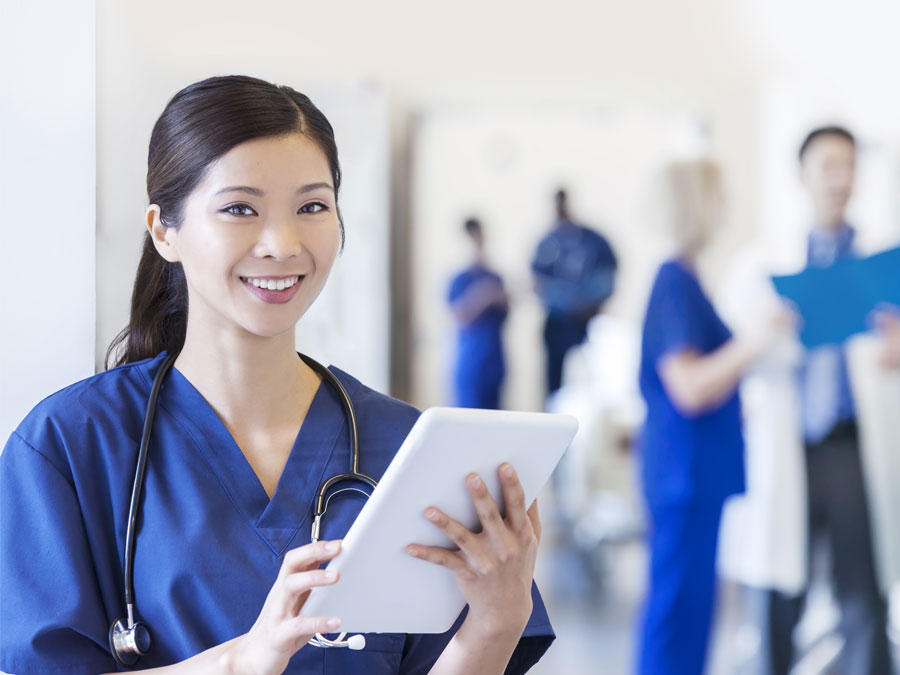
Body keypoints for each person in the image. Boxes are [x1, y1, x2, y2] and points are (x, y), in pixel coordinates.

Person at [0, 75, 554, 675]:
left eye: (311, 206)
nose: (282, 243)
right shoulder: (71, 444)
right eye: (240, 208)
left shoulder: (404, 446)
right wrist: (244, 660)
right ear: (165, 230)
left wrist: (495, 626)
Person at [636, 160, 790, 675]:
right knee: (677, 611)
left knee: (695, 610)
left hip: (697, 472)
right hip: (684, 474)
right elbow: (690, 387)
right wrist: (756, 338)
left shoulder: (688, 280)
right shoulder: (673, 281)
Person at [757, 126, 893, 675]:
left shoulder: (882, 264)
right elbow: (744, 348)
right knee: (779, 592)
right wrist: (767, 333)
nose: (839, 179)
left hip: (850, 443)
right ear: (802, 176)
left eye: (848, 166)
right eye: (827, 166)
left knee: (863, 586)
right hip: (789, 444)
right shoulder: (769, 259)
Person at [531, 189, 617, 398]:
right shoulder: (547, 243)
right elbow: (536, 282)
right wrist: (564, 302)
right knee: (556, 389)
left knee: (588, 384)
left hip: (585, 326)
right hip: (557, 327)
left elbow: (608, 275)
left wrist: (588, 302)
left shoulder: (593, 241)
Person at [447, 218, 508, 409]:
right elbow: (460, 316)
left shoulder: (495, 277)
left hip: (494, 362)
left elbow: (504, 315)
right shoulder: (460, 280)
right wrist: (483, 296)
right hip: (471, 365)